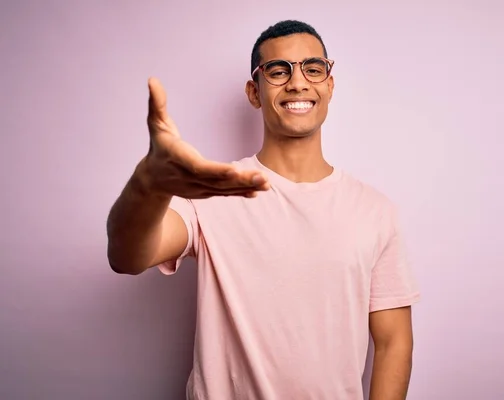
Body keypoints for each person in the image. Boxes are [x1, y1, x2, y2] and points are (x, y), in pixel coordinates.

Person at [106, 19, 420, 400]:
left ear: (329, 85)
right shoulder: (212, 192)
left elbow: (394, 343)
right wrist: (148, 184)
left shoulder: (374, 211)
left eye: (313, 68)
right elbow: (126, 257)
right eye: (278, 70)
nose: (298, 82)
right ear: (254, 92)